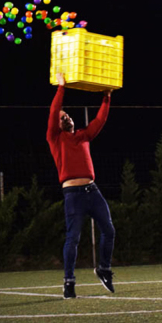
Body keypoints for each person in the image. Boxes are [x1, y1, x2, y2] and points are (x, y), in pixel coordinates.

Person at [46, 73, 115, 300]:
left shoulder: (83, 136)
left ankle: (103, 269)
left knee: (109, 230)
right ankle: (69, 283)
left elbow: (100, 120)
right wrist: (61, 87)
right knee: (73, 238)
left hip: (92, 191)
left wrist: (106, 97)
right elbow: (54, 109)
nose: (66, 118)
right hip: (73, 194)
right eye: (62, 117)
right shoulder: (55, 138)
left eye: (68, 116)